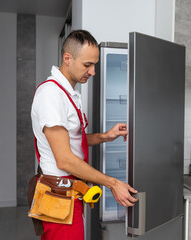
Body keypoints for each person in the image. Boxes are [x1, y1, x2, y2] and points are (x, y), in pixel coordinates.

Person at [31, 29, 137, 240]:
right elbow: (64, 159)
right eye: (87, 65)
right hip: (59, 197)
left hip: (70, 194)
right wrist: (113, 183)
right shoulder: (51, 95)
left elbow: (71, 141)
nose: (93, 72)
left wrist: (105, 136)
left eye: (94, 65)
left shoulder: (68, 93)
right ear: (67, 58)